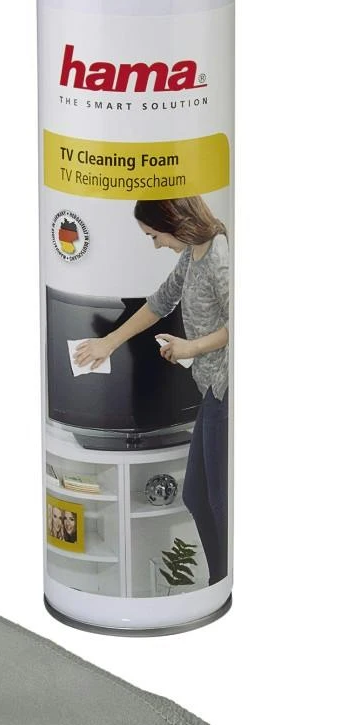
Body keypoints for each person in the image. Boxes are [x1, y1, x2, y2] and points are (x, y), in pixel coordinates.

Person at [73, 196, 230, 584]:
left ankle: (221, 582)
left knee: (218, 501)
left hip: (226, 389)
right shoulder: (193, 253)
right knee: (197, 497)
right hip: (210, 390)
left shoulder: (219, 254)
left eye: (155, 236)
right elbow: (160, 302)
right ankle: (218, 579)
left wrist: (190, 347)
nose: (156, 245)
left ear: (175, 221)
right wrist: (109, 342)